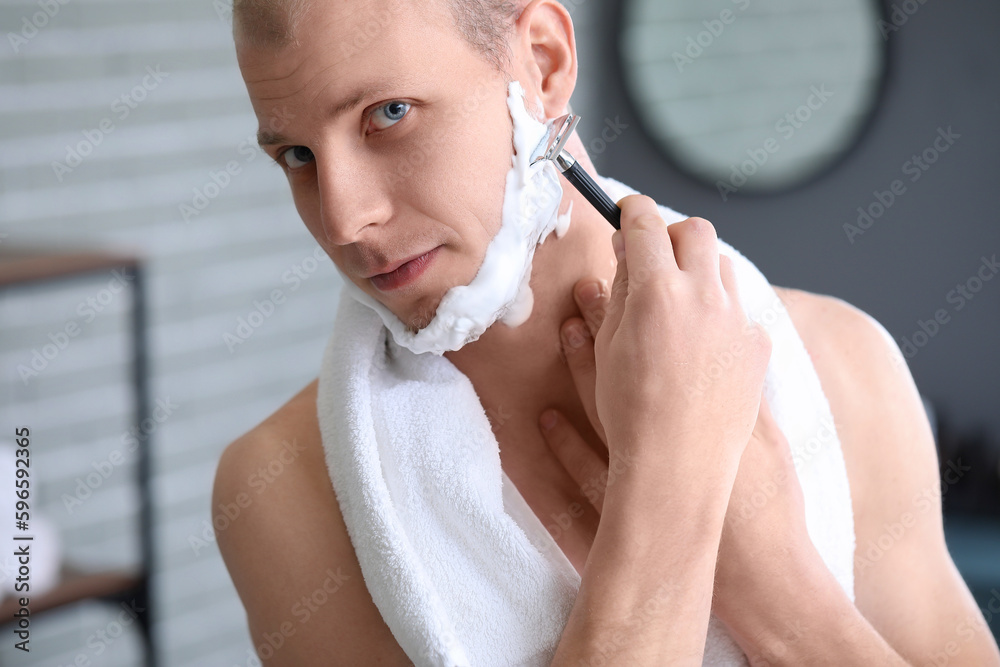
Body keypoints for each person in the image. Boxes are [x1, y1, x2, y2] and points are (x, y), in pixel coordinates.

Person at [212, 0, 1000, 664]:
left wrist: (780, 590)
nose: (345, 218)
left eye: (389, 114)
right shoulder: (285, 490)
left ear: (544, 66)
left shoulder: (842, 367)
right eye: (296, 155)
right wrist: (670, 486)